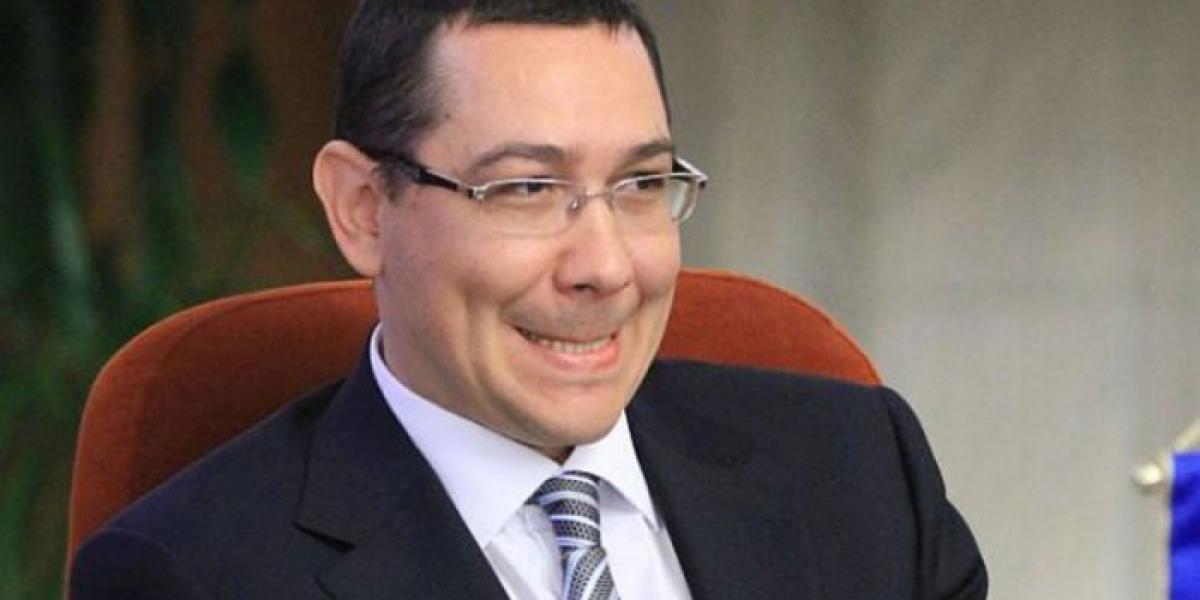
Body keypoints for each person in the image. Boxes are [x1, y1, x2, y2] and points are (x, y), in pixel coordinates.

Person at [70, 1, 987, 598]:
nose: (606, 267)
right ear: (362, 209)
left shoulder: (860, 470)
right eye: (525, 190)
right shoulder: (192, 574)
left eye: (641, 183)